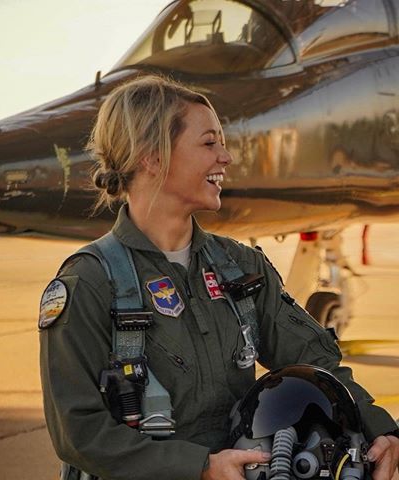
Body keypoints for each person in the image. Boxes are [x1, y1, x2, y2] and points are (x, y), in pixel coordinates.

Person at [39, 75, 399, 480]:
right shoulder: (88, 283)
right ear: (152, 157)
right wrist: (199, 468)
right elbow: (79, 432)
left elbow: (316, 363)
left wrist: (380, 429)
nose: (225, 157)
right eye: (209, 143)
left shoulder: (241, 267)